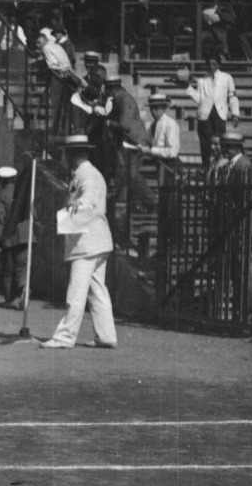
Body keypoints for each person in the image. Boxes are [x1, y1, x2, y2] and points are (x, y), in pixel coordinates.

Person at [41, 135, 117, 350]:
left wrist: (69, 212)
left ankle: (65, 337)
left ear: (71, 155)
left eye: (66, 153)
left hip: (87, 243)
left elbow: (87, 201)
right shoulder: (86, 174)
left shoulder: (88, 176)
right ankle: (106, 335)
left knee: (77, 290)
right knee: (97, 290)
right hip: (97, 241)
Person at [103, 76, 156, 211]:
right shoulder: (119, 99)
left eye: (107, 89)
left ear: (112, 89)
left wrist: (107, 122)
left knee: (131, 175)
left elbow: (124, 125)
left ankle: (152, 202)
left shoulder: (124, 99)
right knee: (125, 174)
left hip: (135, 142)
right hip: (128, 142)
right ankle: (136, 203)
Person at [185, 56, 239, 167]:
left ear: (218, 64)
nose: (211, 66)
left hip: (219, 114)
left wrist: (235, 113)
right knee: (205, 144)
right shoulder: (202, 80)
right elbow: (198, 99)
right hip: (204, 116)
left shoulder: (227, 77)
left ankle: (220, 166)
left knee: (219, 143)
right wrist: (188, 88)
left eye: (214, 64)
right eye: (209, 64)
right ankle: (206, 168)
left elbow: (232, 96)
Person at [0, 166, 32, 310]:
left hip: (9, 237)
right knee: (23, 265)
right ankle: (23, 290)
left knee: (8, 269)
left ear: (2, 180)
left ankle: (9, 299)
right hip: (27, 235)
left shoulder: (2, 195)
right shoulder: (26, 193)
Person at [37, 27, 74, 136]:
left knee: (57, 104)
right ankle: (58, 129)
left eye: (40, 41)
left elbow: (52, 64)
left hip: (59, 76)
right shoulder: (56, 46)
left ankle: (56, 130)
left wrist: (48, 67)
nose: (39, 44)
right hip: (65, 73)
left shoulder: (47, 48)